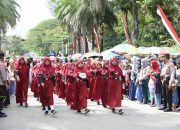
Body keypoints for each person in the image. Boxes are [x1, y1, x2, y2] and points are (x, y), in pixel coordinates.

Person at [0, 51, 8, 117]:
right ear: (2, 57)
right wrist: (6, 84)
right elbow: (3, 75)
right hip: (1, 83)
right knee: (2, 97)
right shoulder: (1, 64)